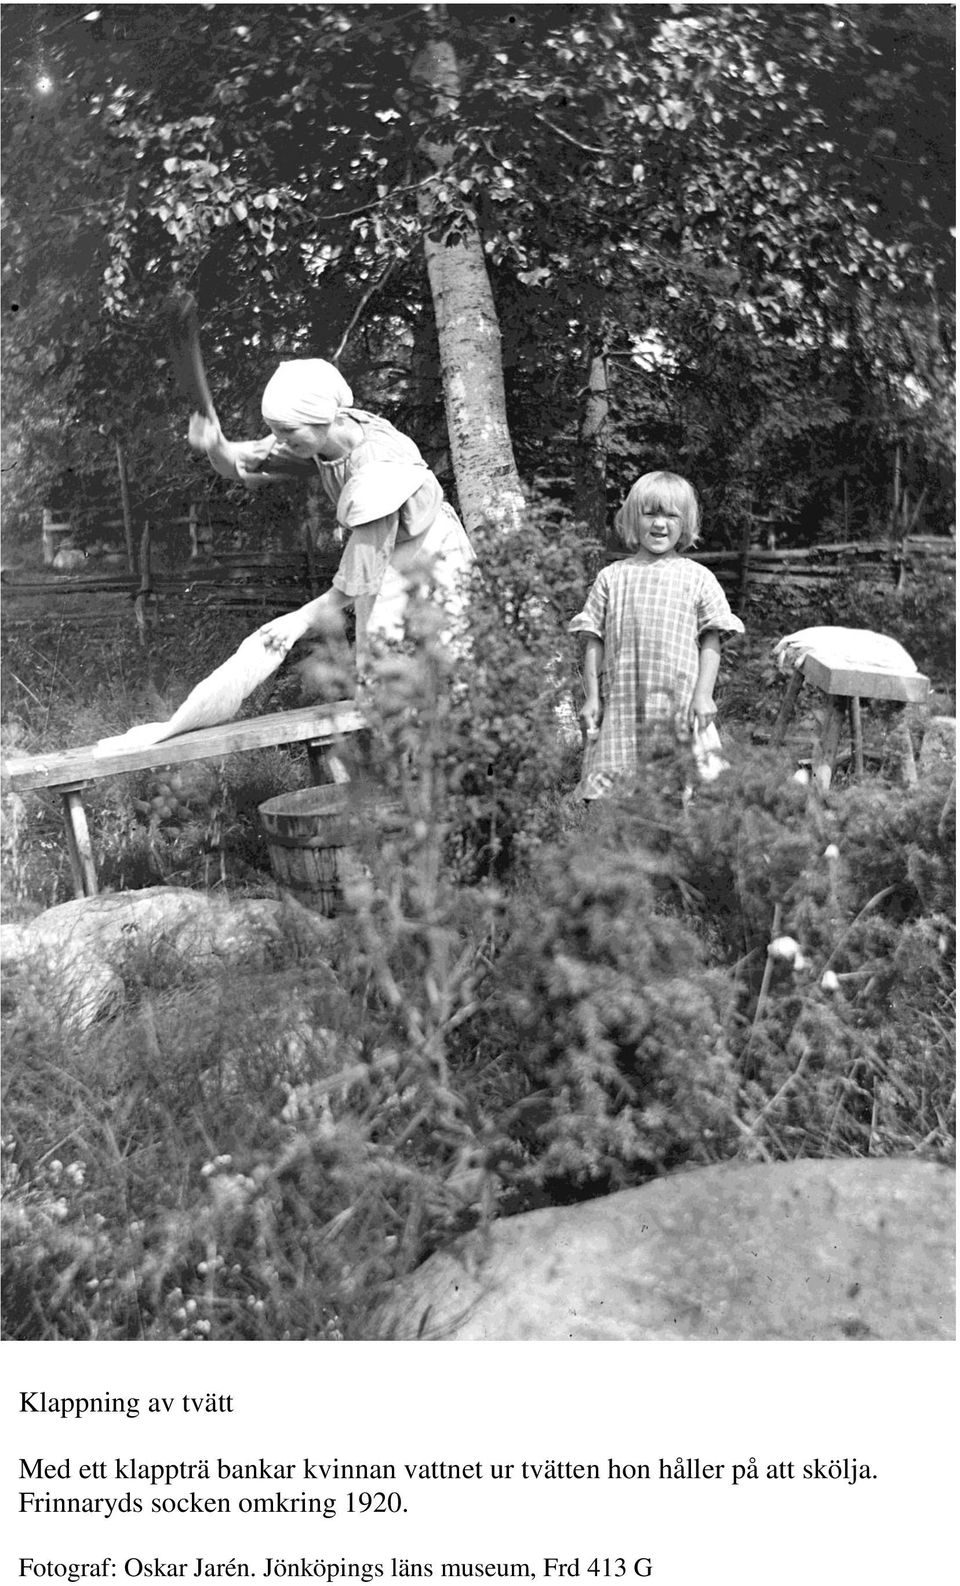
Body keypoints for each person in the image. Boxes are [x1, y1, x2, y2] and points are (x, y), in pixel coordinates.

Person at [189, 358, 475, 669]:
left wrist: (299, 620)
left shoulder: (377, 466)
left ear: (321, 418)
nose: (279, 439)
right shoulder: (319, 437)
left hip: (431, 556)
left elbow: (361, 570)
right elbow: (237, 463)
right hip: (384, 554)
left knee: (452, 665)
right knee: (385, 680)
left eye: (286, 430)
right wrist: (216, 445)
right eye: (274, 430)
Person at [569, 470, 744, 800]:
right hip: (622, 699)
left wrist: (704, 694)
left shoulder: (698, 578)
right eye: (650, 514)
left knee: (683, 785)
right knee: (615, 786)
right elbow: (594, 640)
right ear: (635, 519)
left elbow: (711, 639)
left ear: (686, 522)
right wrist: (592, 697)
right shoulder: (612, 577)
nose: (659, 524)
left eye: (670, 515)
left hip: (676, 699)